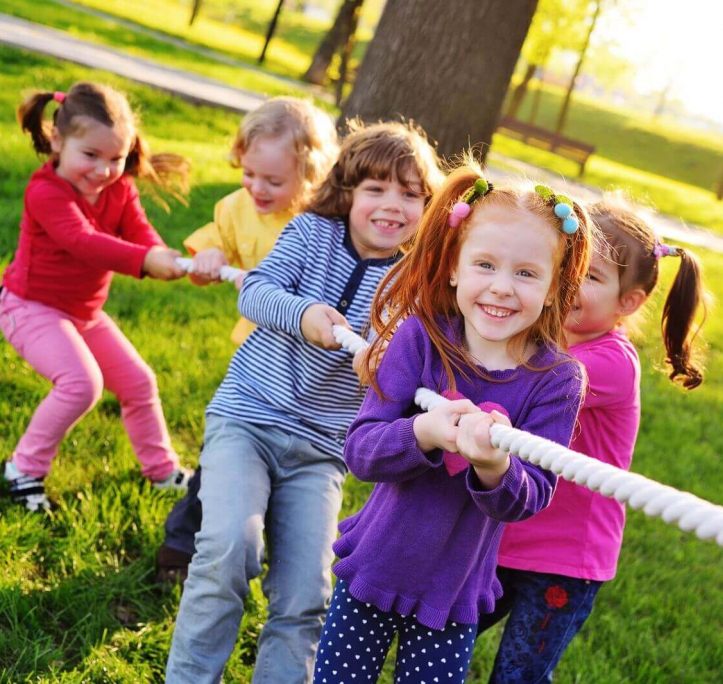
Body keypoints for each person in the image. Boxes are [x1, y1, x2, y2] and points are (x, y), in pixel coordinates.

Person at [165, 121, 444, 684]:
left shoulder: (415, 282)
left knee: (306, 593)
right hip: (249, 417)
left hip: (321, 450)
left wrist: (386, 367)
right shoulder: (311, 232)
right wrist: (305, 315)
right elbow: (259, 290)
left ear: (427, 207)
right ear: (347, 192)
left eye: (410, 195)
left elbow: (411, 368)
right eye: (375, 189)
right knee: (226, 551)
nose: (392, 206)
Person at [314, 165, 593, 684]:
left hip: (454, 593)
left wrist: (493, 464)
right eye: (485, 264)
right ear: (454, 269)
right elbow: (362, 453)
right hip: (372, 569)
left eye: (527, 273)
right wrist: (425, 433)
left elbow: (529, 498)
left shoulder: (557, 379)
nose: (502, 288)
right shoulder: (420, 338)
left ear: (556, 288)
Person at [483, 198, 710, 683]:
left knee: (517, 676)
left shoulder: (610, 363)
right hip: (506, 534)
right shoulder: (541, 335)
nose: (569, 284)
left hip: (564, 559)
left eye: (591, 276)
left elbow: (521, 383)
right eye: (566, 266)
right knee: (442, 637)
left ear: (628, 302)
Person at [155, 97, 339, 583]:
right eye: (249, 174)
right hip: (256, 365)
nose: (257, 188)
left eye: (273, 181)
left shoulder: (322, 223)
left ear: (311, 176)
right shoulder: (235, 208)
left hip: (312, 370)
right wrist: (211, 256)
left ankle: (279, 551)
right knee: (228, 457)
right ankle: (180, 542)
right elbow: (208, 252)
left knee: (290, 468)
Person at [1, 82, 193, 513]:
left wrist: (161, 255)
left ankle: (161, 472)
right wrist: (145, 260)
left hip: (82, 313)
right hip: (29, 306)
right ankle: (23, 469)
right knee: (81, 384)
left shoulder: (119, 188)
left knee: (139, 382)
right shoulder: (45, 191)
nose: (104, 170)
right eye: (90, 155)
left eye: (115, 158)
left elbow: (139, 230)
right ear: (57, 140)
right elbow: (82, 241)